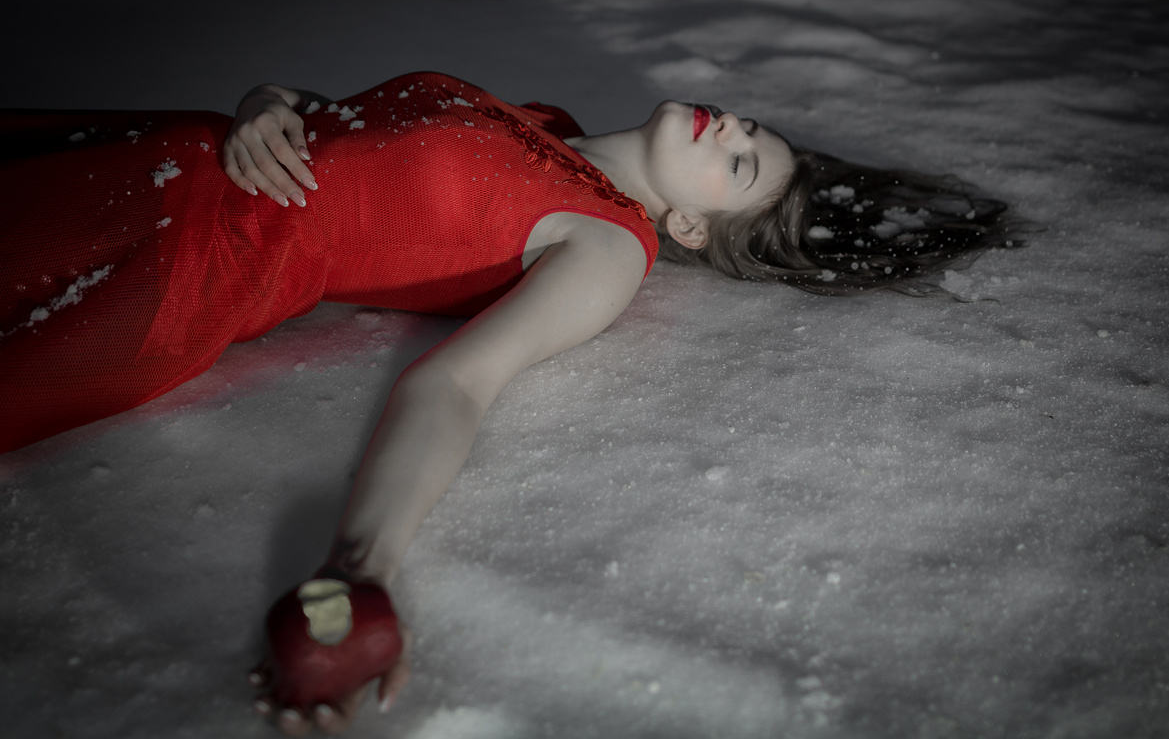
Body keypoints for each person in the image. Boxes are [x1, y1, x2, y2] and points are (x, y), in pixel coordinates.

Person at [0, 72, 1020, 734]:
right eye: (754, 127)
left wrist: (362, 563)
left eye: (741, 163)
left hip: (172, 261)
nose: (734, 129)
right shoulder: (547, 127)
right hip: (154, 153)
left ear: (691, 228)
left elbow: (456, 385)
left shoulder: (607, 247)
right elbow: (346, 131)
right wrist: (269, 103)